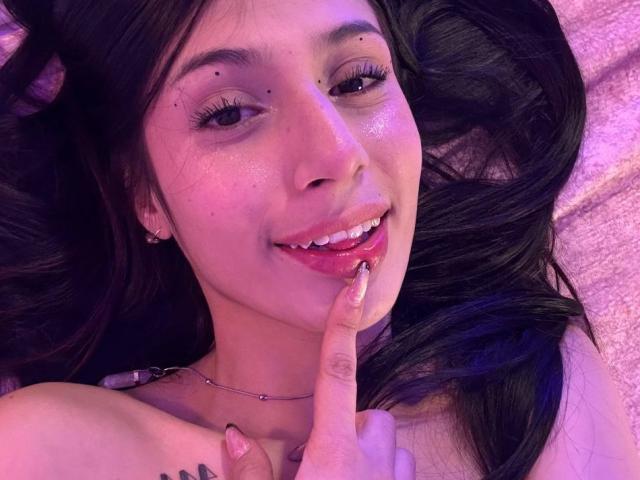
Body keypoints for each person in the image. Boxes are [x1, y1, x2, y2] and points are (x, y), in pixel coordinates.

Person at [0, 0, 639, 479]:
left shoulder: (530, 384)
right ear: (143, 195)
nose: (338, 153)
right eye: (230, 113)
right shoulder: (49, 449)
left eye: (357, 80)